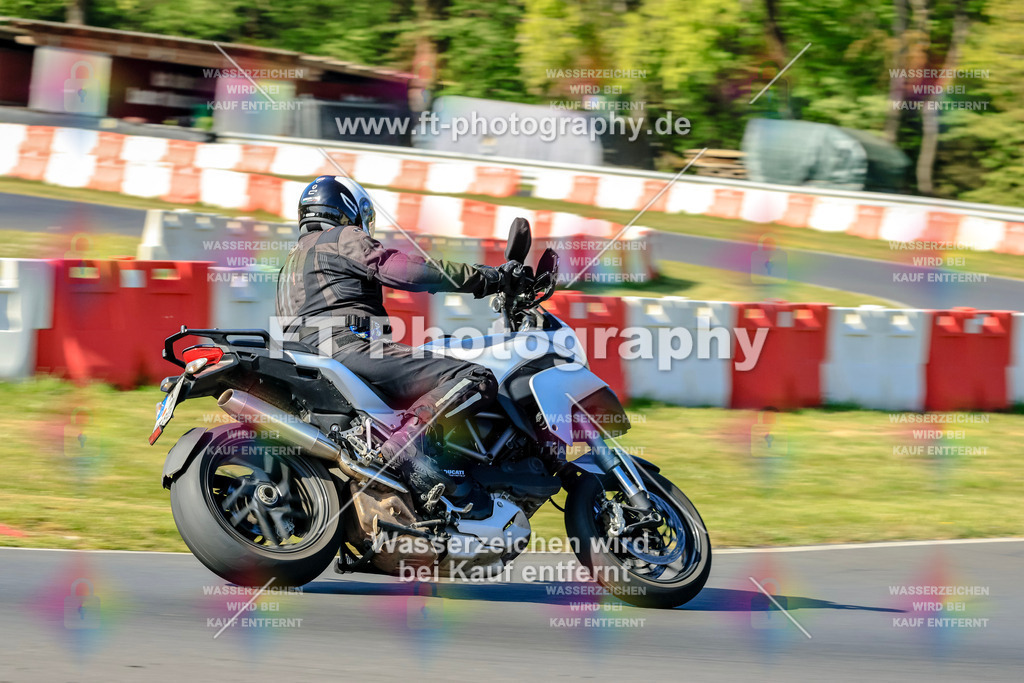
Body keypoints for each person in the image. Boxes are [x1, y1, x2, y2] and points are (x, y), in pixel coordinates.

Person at [275, 175, 518, 501]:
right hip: (348, 350)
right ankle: (404, 447)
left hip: (306, 359)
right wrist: (485, 279)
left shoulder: (292, 261)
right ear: (348, 210)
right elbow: (407, 271)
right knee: (475, 377)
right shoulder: (342, 237)